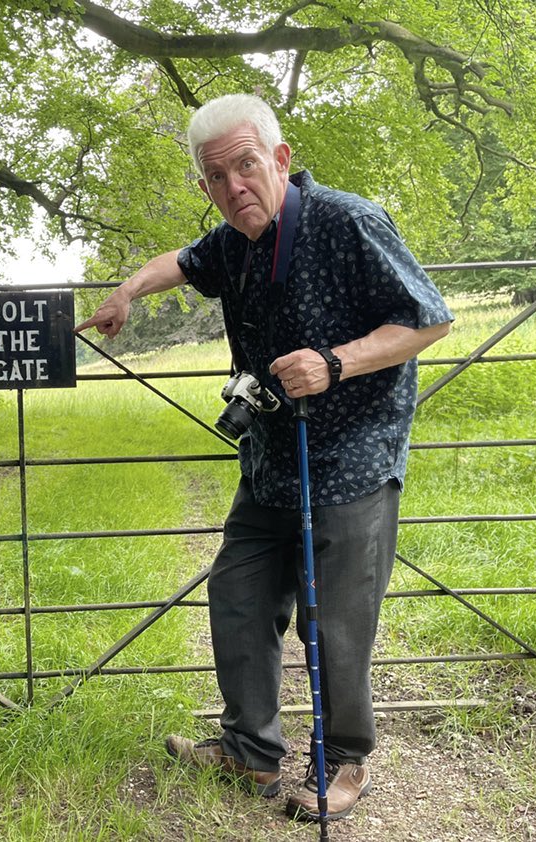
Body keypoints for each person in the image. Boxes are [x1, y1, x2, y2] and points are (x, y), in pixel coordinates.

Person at [75, 93, 453, 822]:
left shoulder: (350, 222)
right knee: (239, 593)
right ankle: (250, 753)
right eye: (216, 178)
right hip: (274, 457)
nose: (234, 187)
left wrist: (337, 363)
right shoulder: (234, 241)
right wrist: (126, 291)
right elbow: (179, 262)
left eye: (246, 165)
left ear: (279, 159)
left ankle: (345, 760)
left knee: (336, 618)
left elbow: (427, 318)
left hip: (352, 456)